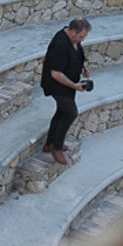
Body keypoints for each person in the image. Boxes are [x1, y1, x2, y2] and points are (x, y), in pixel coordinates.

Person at [40, 17, 92, 165]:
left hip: (68, 84)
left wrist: (83, 70)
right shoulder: (60, 45)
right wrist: (74, 86)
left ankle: (50, 143)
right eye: (81, 36)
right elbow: (55, 74)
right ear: (73, 31)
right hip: (57, 85)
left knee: (61, 112)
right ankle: (56, 147)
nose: (82, 40)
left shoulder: (74, 40)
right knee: (70, 112)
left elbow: (76, 57)